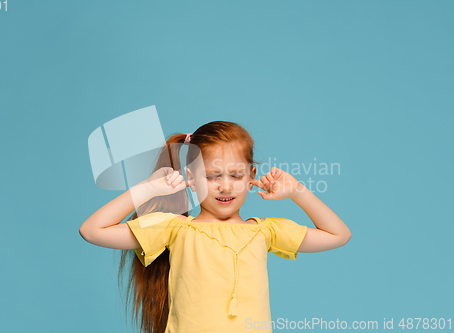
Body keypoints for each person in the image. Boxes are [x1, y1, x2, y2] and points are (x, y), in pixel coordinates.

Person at [79, 120, 351, 333]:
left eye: (236, 175)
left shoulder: (264, 231)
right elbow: (92, 230)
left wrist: (297, 191)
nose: (225, 186)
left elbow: (338, 235)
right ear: (192, 178)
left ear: (251, 176)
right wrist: (147, 188)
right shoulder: (175, 228)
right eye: (212, 176)